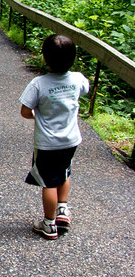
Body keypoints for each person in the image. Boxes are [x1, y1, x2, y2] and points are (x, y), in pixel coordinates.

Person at [19, 34, 90, 239]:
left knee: (48, 182)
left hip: (47, 143)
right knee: (64, 172)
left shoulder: (38, 84)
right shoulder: (77, 79)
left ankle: (49, 224)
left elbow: (25, 111)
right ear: (73, 59)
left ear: (45, 57)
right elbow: (84, 90)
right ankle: (62, 210)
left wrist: (36, 116)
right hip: (71, 140)